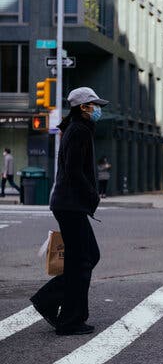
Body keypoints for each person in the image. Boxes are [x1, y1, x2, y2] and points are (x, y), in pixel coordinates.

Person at [30, 87, 108, 336]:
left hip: (69, 204)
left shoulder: (77, 128)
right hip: (70, 204)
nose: (98, 109)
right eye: (94, 105)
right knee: (83, 260)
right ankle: (68, 319)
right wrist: (92, 195)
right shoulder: (78, 130)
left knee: (85, 258)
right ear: (83, 107)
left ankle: (55, 304)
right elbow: (74, 170)